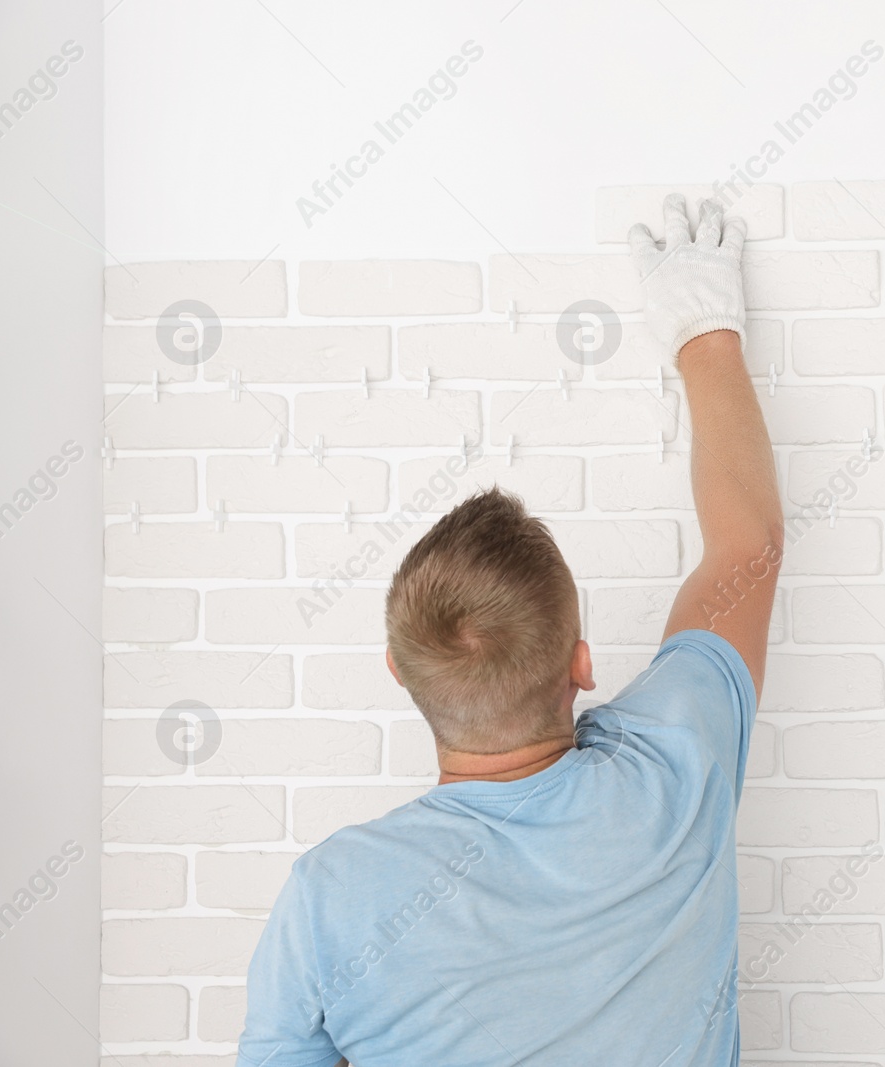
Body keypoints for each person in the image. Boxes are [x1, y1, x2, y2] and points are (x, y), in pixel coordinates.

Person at [236, 194, 783, 1066]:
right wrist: (703, 326)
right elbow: (748, 546)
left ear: (399, 672)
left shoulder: (328, 900)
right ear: (582, 662)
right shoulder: (678, 769)